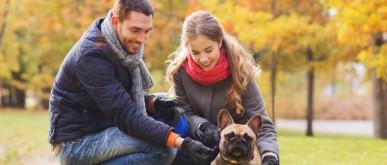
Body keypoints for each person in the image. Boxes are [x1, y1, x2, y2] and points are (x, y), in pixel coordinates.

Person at [48, 1, 218, 165]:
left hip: (103, 123)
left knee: (166, 106)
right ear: (116, 22)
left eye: (146, 31)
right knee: (163, 150)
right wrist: (182, 143)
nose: (142, 39)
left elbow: (120, 96)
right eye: (136, 30)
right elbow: (126, 116)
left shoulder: (117, 43)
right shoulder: (92, 57)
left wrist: (153, 103)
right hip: (76, 143)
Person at [165, 11, 280, 165]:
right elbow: (184, 112)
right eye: (195, 53)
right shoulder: (180, 72)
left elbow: (263, 125)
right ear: (187, 48)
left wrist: (270, 155)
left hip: (238, 156)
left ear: (219, 42)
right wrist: (203, 126)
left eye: (208, 50)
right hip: (197, 148)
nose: (203, 59)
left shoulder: (241, 72)